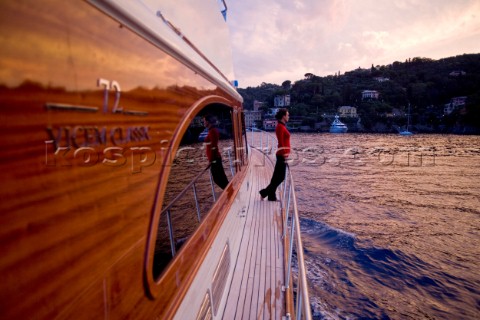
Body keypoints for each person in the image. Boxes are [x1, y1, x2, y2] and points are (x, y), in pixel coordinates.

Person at [260, 108, 290, 201]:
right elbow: (280, 142)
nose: (289, 116)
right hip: (281, 155)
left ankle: (271, 196)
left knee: (276, 177)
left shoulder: (282, 126)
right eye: (287, 115)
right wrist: (285, 155)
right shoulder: (280, 127)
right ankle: (264, 192)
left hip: (282, 154)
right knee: (280, 177)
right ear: (283, 116)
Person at [203, 114, 229, 189]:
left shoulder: (212, 131)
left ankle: (230, 193)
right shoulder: (212, 131)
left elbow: (214, 147)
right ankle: (229, 192)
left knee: (218, 179)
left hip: (215, 160)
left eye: (204, 121)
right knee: (221, 179)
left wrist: (211, 161)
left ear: (208, 122)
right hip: (215, 159)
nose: (203, 123)